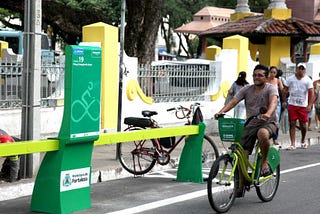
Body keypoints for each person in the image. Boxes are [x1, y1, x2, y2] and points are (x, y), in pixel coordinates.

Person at [215, 64, 278, 196]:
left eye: (260, 75)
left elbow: (273, 102)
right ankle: (241, 185)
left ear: (266, 78)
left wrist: (268, 113)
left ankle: (264, 163)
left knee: (262, 133)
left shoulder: (271, 88)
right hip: (250, 124)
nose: (256, 77)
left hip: (268, 122)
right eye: (255, 75)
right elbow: (233, 101)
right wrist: (221, 112)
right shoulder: (247, 89)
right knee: (241, 154)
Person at [283, 63, 314, 150]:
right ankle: (292, 143)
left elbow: (312, 93)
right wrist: (284, 100)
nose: (301, 70)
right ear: (296, 69)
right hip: (292, 104)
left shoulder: (307, 80)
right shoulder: (290, 79)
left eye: (302, 69)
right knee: (292, 123)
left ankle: (303, 140)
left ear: (305, 70)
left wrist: (310, 104)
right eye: (299, 68)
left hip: (303, 105)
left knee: (303, 125)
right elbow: (284, 90)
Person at [267, 66, 284, 146]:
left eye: (274, 72)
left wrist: (284, 101)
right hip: (266, 102)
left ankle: (275, 138)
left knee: (276, 121)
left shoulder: (278, 81)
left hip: (277, 103)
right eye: (271, 72)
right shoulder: (266, 80)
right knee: (266, 120)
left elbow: (282, 91)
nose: (272, 74)